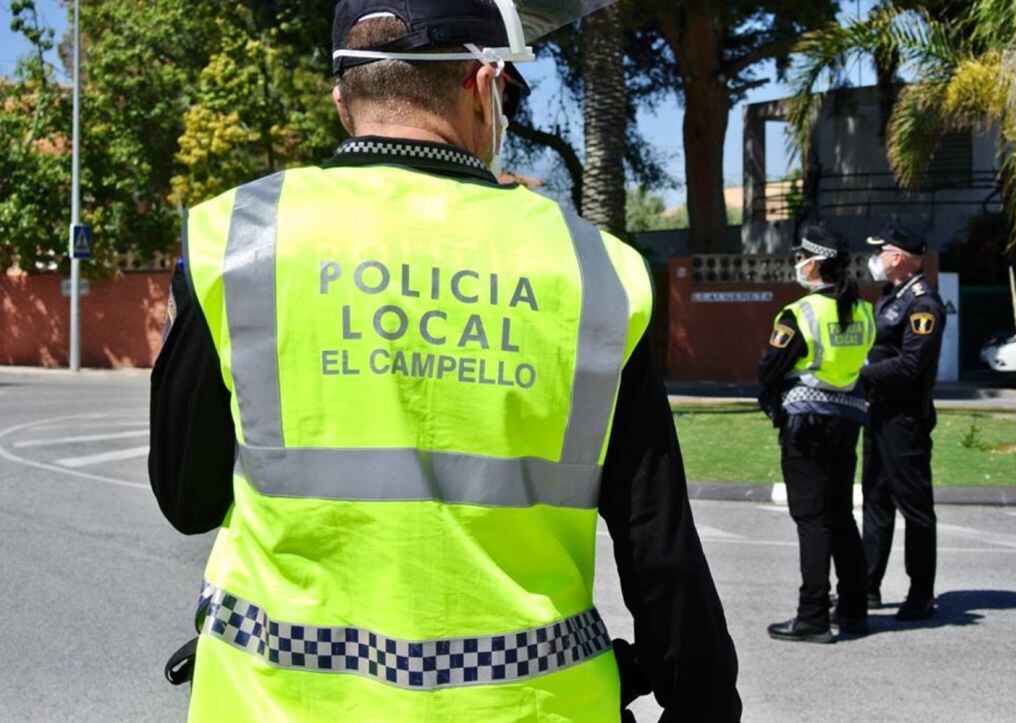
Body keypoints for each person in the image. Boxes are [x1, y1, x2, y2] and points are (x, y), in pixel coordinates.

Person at [148, 1, 741, 721]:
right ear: (482, 84)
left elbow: (188, 499)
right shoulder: (593, 269)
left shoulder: (234, 238)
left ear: (343, 102)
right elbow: (661, 552)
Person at [758, 225, 876, 644]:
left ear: (815, 262)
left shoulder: (800, 313)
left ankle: (812, 616)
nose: (797, 265)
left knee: (811, 520)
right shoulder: (862, 309)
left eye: (800, 258)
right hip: (847, 421)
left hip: (806, 425)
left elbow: (769, 369)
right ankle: (854, 610)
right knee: (840, 515)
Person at [861, 225, 946, 622]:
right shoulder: (891, 297)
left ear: (897, 257)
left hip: (905, 419)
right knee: (875, 502)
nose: (876, 259)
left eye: (881, 252)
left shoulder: (923, 303)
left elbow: (913, 364)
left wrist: (864, 373)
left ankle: (920, 592)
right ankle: (868, 586)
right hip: (879, 413)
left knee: (915, 507)